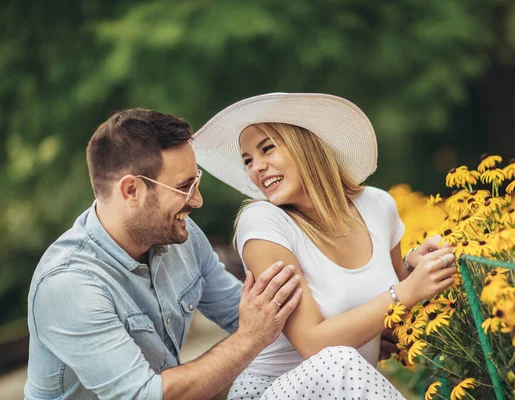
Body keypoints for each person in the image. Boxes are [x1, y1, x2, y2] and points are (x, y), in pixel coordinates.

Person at [192, 93, 458, 399]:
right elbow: (313, 343)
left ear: (306, 144)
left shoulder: (378, 206)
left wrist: (415, 267)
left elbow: (390, 310)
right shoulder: (264, 222)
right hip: (274, 389)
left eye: (267, 149)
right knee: (338, 359)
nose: (257, 168)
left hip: (351, 388)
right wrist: (407, 291)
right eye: (248, 160)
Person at [24, 109, 304, 400]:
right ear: (132, 190)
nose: (197, 200)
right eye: (184, 187)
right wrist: (249, 339)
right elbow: (144, 396)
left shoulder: (182, 236)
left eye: (196, 182)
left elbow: (254, 313)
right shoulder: (68, 284)